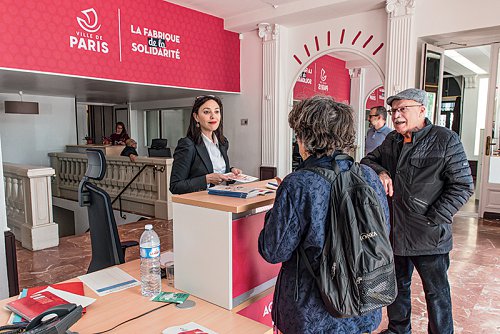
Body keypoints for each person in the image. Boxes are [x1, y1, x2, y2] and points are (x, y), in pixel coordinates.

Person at [258, 95, 390, 334]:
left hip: (313, 311)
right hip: (363, 302)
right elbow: (383, 233)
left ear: (304, 138)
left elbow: (273, 250)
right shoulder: (369, 176)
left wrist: (278, 208)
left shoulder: (299, 184)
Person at [360, 88, 474, 334]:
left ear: (422, 110)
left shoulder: (445, 139)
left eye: (403, 109)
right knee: (397, 288)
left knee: (437, 293)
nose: (396, 116)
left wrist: (434, 218)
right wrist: (381, 172)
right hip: (395, 233)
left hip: (429, 236)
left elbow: (463, 185)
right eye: (393, 111)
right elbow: (366, 161)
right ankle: (399, 330)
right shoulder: (392, 140)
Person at [169, 95, 242, 195]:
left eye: (216, 111)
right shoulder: (187, 145)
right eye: (207, 112)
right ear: (196, 117)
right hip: (200, 205)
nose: (213, 116)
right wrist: (206, 180)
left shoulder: (222, 142)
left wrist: (231, 172)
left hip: (223, 201)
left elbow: (211, 168)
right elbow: (175, 186)